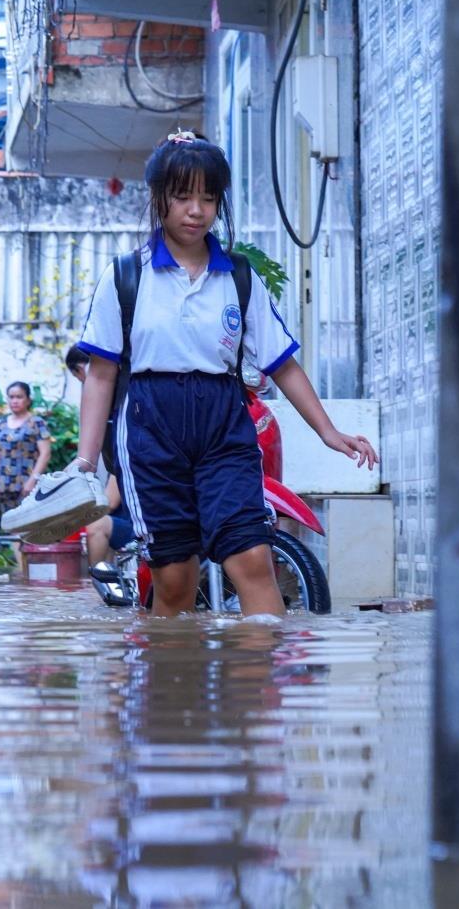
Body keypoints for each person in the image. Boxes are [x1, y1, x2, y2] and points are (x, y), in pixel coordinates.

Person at [71, 130, 378, 618]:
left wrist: (328, 432)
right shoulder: (126, 276)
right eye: (183, 196)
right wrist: (86, 462)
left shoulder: (238, 276)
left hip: (223, 424)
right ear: (159, 198)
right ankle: (171, 688)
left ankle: (257, 691)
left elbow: (281, 363)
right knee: (174, 578)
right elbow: (102, 375)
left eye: (209, 198)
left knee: (252, 557)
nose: (197, 210)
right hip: (151, 425)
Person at [65, 347, 134, 569]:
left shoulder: (122, 425)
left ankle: (98, 584)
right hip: (128, 518)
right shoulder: (112, 419)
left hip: (140, 524)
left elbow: (109, 501)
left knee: (96, 524)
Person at [0, 381, 52, 514]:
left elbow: (45, 454)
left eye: (19, 397)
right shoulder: (0, 425)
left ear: (28, 400)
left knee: (28, 527)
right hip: (4, 486)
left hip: (27, 486)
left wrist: (32, 481)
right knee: (10, 526)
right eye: (11, 397)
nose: (14, 401)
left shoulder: (37, 423)